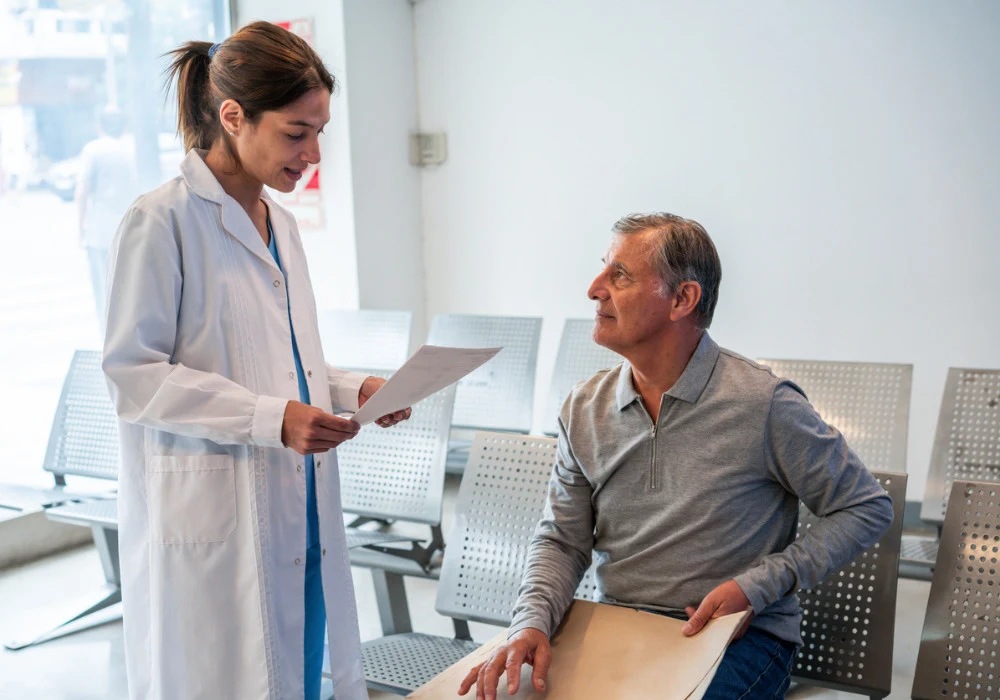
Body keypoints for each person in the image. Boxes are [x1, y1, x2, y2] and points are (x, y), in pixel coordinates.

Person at [459, 213, 894, 700]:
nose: (594, 289)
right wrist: (530, 623)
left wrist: (759, 585)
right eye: (603, 269)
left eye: (619, 275)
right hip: (618, 625)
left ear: (682, 299)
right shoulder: (584, 407)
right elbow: (562, 540)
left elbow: (866, 507)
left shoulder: (764, 404)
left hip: (736, 639)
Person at [102, 22, 409, 700]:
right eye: (297, 133)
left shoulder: (282, 225)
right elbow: (133, 376)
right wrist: (270, 419)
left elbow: (284, 362)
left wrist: (352, 388)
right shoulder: (162, 222)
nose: (314, 153)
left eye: (320, 132)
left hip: (295, 503)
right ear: (233, 117)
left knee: (300, 668)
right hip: (215, 518)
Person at [76, 105, 137, 333]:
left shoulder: (93, 150)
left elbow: (82, 191)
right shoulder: (131, 148)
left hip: (100, 234)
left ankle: (107, 340)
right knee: (129, 289)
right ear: (125, 126)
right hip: (131, 231)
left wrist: (80, 230)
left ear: (99, 127)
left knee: (104, 292)